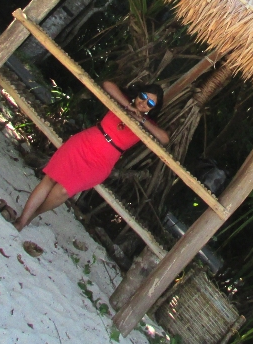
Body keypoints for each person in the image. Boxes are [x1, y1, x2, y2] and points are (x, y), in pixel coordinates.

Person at [13, 82, 168, 232]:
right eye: (143, 96)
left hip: (102, 161)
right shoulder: (124, 102)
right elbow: (108, 85)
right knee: (51, 178)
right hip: (85, 143)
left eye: (150, 103)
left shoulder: (147, 124)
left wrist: (140, 119)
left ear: (153, 108)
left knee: (63, 191)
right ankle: (21, 221)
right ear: (138, 94)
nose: (144, 103)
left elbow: (164, 138)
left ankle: (31, 215)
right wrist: (127, 107)